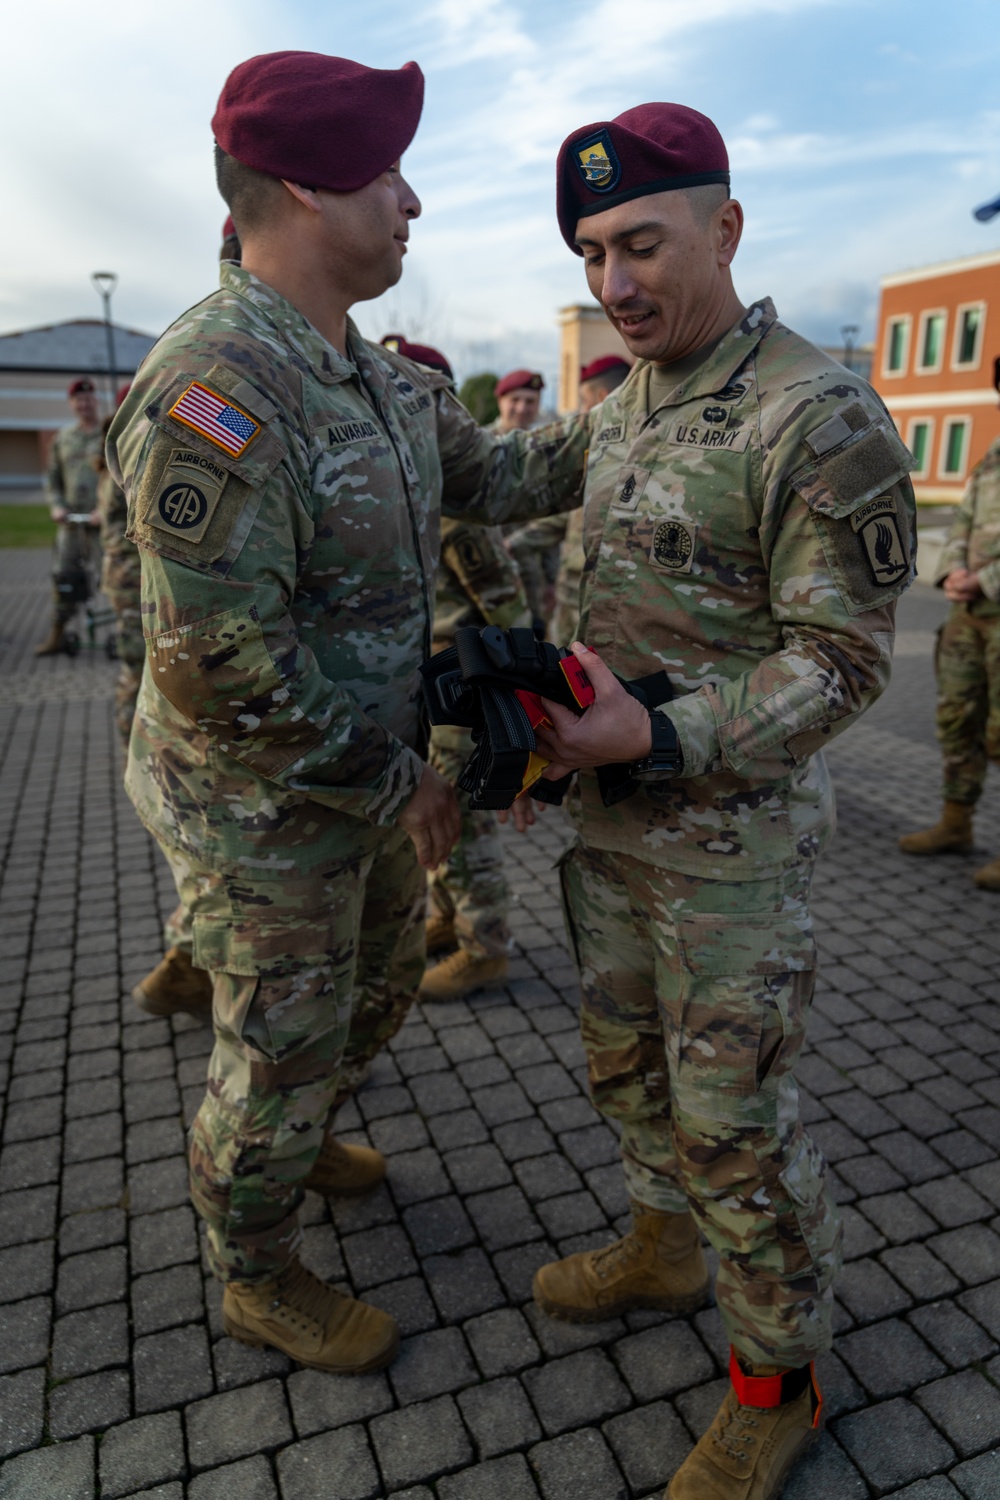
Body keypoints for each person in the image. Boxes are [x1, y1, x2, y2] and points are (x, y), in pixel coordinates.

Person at [108, 49, 586, 1376]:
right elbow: (215, 669)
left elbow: (494, 472)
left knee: (377, 985)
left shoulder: (365, 370)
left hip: (359, 788)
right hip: (267, 814)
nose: (413, 201)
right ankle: (253, 1267)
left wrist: (652, 404)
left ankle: (304, 1131)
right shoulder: (220, 389)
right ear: (310, 191)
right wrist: (403, 786)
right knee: (272, 1047)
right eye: (388, 175)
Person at [524, 103, 916, 1499]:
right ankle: (661, 1244)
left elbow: (844, 660)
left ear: (727, 228)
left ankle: (779, 1379)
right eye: (589, 255)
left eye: (640, 243)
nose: (613, 283)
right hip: (613, 833)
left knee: (733, 1126)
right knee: (625, 1071)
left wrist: (659, 733)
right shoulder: (624, 401)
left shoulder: (816, 413)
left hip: (731, 860)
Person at [377, 339, 536, 1001]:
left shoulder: (457, 506)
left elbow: (510, 608)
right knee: (437, 817)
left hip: (464, 693)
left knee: (464, 821)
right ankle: (448, 916)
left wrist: (519, 721)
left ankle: (485, 946)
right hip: (426, 690)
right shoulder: (406, 486)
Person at [899, 396, 1000, 889]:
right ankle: (956, 823)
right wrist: (956, 571)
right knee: (958, 718)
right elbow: (962, 520)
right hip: (969, 615)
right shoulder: (993, 455)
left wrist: (989, 581)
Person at [508, 355, 631, 643]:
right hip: (569, 592)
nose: (581, 408)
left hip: (594, 600)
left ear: (601, 398)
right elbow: (569, 516)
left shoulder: (617, 451)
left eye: (584, 400)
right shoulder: (601, 447)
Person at [35, 377, 104, 656]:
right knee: (64, 578)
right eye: (78, 400)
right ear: (71, 404)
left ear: (95, 401)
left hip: (101, 523)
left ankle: (133, 637)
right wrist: (56, 505)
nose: (84, 404)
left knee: (114, 579)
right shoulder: (63, 438)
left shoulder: (108, 434)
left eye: (88, 399)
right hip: (70, 523)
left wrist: (105, 509)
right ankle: (57, 635)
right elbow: (52, 478)